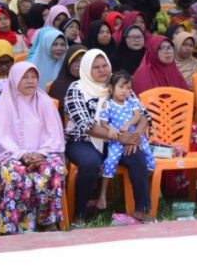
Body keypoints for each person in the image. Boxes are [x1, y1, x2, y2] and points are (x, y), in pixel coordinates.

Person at [64, 50, 151, 223]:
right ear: (87, 69)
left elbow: (145, 116)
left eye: (104, 65)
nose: (102, 70)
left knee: (138, 158)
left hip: (120, 140)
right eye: (96, 67)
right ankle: (80, 214)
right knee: (90, 163)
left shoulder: (119, 84)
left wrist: (134, 136)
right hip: (83, 140)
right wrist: (120, 138)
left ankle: (142, 209)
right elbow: (86, 124)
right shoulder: (77, 89)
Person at [0, 62, 66, 234]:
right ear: (15, 79)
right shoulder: (4, 103)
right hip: (11, 153)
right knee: (15, 172)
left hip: (43, 152)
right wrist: (22, 155)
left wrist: (40, 154)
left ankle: (47, 221)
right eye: (25, 77)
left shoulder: (44, 101)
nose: (30, 81)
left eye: (34, 77)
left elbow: (53, 134)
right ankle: (13, 224)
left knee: (53, 168)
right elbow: (2, 137)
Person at [95, 70, 154, 218]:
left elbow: (140, 116)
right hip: (115, 141)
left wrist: (132, 135)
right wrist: (116, 133)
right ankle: (102, 195)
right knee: (110, 161)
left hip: (134, 137)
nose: (125, 91)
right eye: (121, 87)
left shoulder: (131, 100)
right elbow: (103, 123)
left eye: (128, 88)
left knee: (146, 159)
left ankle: (143, 205)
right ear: (112, 88)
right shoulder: (107, 104)